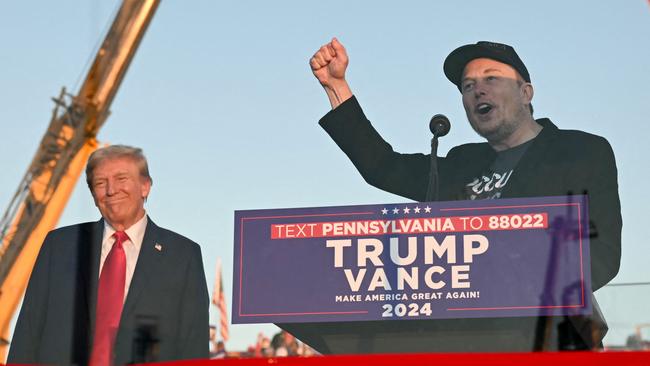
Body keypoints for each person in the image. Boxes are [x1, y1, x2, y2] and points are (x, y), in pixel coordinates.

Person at [310, 39, 621, 349]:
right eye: (467, 85)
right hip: (467, 340)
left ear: (526, 93)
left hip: (553, 338)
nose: (477, 90)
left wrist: (517, 288)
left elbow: (602, 254)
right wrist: (336, 86)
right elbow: (383, 166)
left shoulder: (581, 151)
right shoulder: (462, 163)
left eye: (491, 78)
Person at [8, 145, 209, 364]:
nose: (111, 190)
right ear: (94, 195)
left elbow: (193, 345)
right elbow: (28, 332)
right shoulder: (60, 246)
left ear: (145, 186)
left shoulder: (183, 256)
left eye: (122, 179)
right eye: (100, 182)